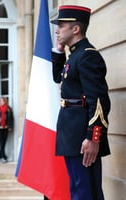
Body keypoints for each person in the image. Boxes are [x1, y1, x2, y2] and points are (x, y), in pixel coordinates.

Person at [50, 5, 111, 200]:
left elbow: (99, 101)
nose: (57, 30)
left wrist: (93, 138)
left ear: (75, 29)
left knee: (86, 192)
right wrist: (59, 51)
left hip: (82, 137)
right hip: (72, 133)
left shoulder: (87, 55)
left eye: (61, 25)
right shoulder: (75, 55)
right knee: (77, 189)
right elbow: (58, 78)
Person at [0, 97, 13, 163]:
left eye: (2, 101)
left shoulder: (9, 109)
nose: (1, 102)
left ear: (5, 101)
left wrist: (10, 126)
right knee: (1, 142)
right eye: (0, 101)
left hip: (6, 127)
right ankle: (4, 157)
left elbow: (11, 118)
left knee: (4, 142)